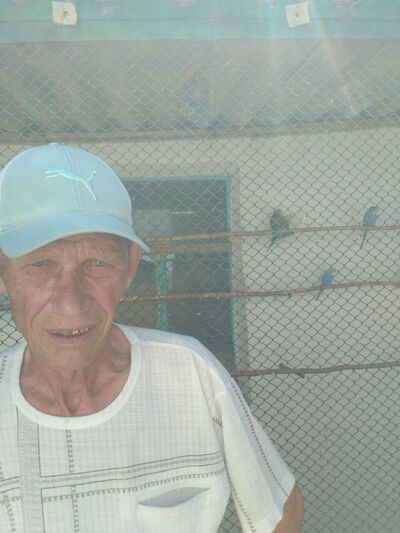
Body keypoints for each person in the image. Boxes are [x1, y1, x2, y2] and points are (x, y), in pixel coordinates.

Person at [0, 143, 303, 532]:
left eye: (97, 263)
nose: (72, 303)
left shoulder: (188, 373)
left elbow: (278, 511)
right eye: (40, 264)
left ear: (128, 268)